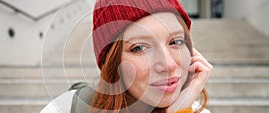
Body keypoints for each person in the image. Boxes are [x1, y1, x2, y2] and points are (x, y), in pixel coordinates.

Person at [40, 0, 213, 113]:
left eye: (175, 42)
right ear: (113, 62)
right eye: (139, 47)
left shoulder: (192, 110)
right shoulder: (65, 109)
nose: (168, 64)